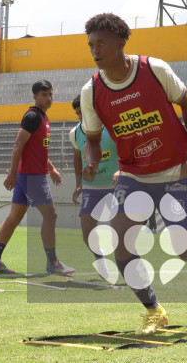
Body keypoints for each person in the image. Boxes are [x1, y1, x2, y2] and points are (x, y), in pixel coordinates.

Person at [80, 12, 187, 336]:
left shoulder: (154, 69)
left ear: (122, 41)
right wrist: (91, 161)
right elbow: (92, 140)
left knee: (185, 250)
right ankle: (153, 309)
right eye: (91, 44)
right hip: (133, 174)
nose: (95, 50)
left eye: (102, 42)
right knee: (122, 244)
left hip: (174, 171)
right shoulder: (91, 91)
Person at [0, 79, 74, 276]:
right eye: (44, 95)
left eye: (50, 94)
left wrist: (51, 168)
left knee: (14, 217)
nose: (49, 98)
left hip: (30, 175)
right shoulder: (33, 116)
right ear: (35, 96)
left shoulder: (42, 117)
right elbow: (18, 145)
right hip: (31, 176)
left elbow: (37, 149)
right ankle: (53, 262)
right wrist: (12, 173)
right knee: (51, 215)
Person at [70, 93, 118, 280]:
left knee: (122, 230)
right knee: (87, 232)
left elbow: (126, 149)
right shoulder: (75, 133)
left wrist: (121, 170)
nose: (81, 117)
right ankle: (101, 260)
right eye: (77, 114)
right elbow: (77, 157)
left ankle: (129, 265)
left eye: (83, 112)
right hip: (92, 188)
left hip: (116, 186)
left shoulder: (112, 127)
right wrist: (79, 183)